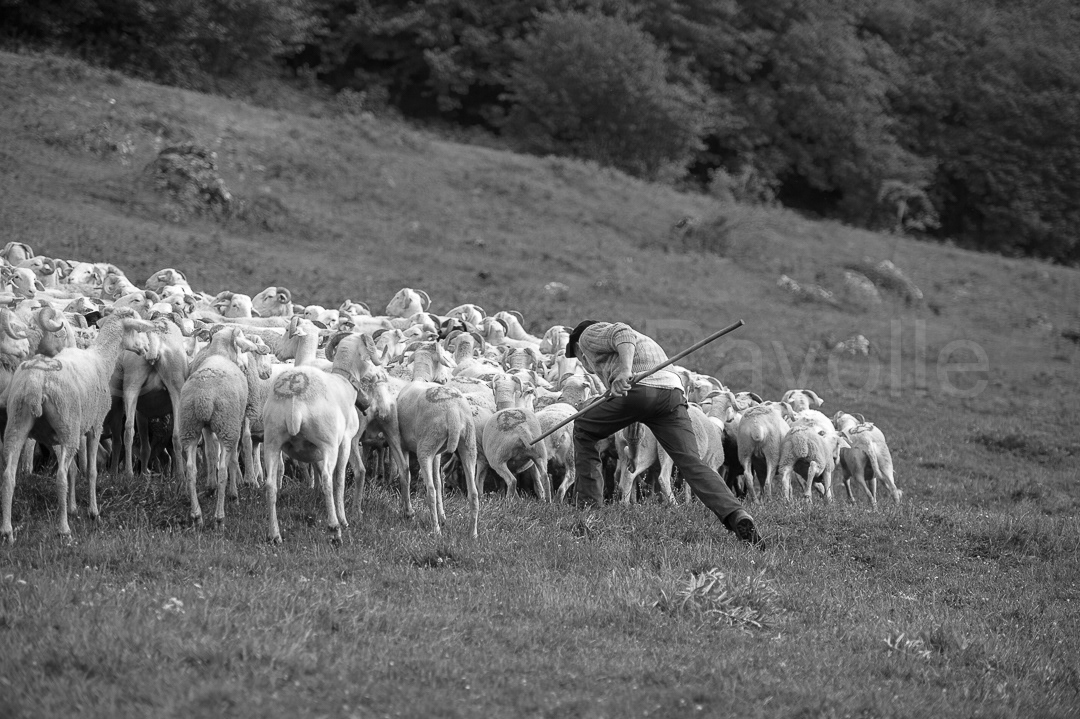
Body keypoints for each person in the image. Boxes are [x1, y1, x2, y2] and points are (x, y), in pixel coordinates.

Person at [566, 319, 764, 549]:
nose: (584, 363)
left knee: (582, 429)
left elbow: (622, 332)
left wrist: (626, 372)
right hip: (672, 395)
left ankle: (589, 509)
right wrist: (633, 452)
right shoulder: (642, 344)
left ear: (579, 348)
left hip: (641, 388)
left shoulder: (588, 335)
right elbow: (633, 416)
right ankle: (736, 514)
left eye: (580, 358)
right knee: (692, 462)